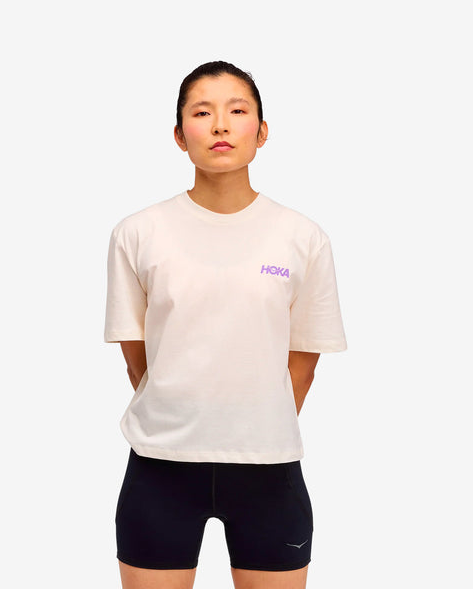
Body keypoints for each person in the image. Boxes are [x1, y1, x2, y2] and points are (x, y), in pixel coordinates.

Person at [103, 61, 347, 589]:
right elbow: (137, 357)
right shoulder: (138, 233)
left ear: (262, 131)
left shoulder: (302, 237)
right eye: (201, 112)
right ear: (178, 135)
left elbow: (303, 362)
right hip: (160, 466)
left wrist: (252, 425)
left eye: (237, 111)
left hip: (270, 470)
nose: (220, 125)